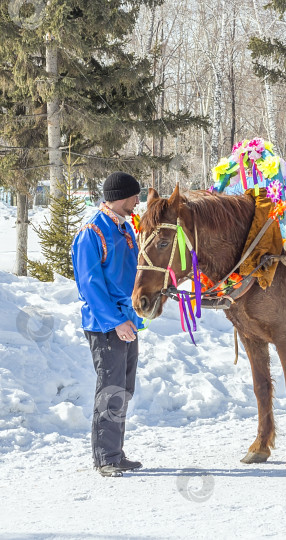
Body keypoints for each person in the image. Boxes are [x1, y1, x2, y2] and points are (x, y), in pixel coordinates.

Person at [71, 172, 144, 477]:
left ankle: (115, 452)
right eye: (134, 197)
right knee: (110, 388)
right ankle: (105, 458)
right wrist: (116, 322)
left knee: (123, 389)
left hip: (127, 320)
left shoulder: (125, 227)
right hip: (107, 324)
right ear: (119, 196)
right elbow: (89, 284)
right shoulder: (92, 231)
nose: (137, 203)